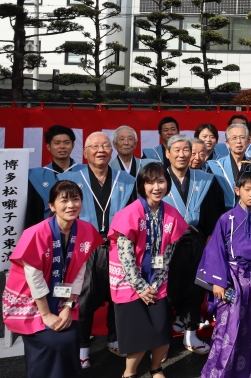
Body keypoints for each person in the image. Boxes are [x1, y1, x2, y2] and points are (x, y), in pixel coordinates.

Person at [2, 180, 103, 378]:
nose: (71, 205)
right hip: (31, 298)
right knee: (51, 343)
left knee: (70, 337)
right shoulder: (36, 233)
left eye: (75, 199)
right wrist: (47, 315)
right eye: (63, 200)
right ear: (51, 206)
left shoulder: (85, 230)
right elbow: (34, 278)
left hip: (63, 298)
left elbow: (80, 271)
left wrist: (68, 308)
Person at [58, 132, 137, 368]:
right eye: (95, 146)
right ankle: (82, 346)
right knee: (82, 297)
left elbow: (134, 214)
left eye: (105, 146)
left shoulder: (126, 179)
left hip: (116, 246)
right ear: (85, 152)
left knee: (118, 295)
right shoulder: (70, 178)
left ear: (111, 151)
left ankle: (114, 338)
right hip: (83, 247)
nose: (100, 150)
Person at [108, 162, 188, 378]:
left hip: (157, 281)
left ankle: (156, 368)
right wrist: (141, 287)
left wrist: (155, 283)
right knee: (138, 334)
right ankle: (129, 372)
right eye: (150, 182)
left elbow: (168, 252)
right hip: (130, 281)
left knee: (161, 329)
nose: (156, 187)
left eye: (161, 181)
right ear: (142, 185)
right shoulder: (129, 213)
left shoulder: (171, 214)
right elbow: (126, 257)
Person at [196, 168, 251, 378]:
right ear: (237, 190)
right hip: (231, 278)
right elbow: (215, 252)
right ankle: (219, 372)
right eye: (247, 189)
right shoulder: (226, 219)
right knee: (227, 329)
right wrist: (218, 282)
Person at [162, 134, 227, 352]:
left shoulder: (205, 179)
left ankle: (190, 334)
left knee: (195, 289)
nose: (182, 155)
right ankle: (161, 340)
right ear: (167, 153)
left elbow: (215, 209)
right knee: (166, 290)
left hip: (197, 242)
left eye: (185, 150)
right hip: (167, 244)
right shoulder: (158, 178)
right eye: (177, 150)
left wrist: (209, 236)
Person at [25, 125, 79, 228]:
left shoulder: (85, 172)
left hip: (82, 232)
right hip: (47, 232)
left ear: (73, 145)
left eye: (66, 142)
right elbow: (32, 212)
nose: (62, 146)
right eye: (57, 143)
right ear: (48, 147)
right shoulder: (35, 176)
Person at [207, 122, 250, 208]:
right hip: (223, 214)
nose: (238, 141)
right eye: (234, 138)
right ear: (227, 143)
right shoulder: (216, 166)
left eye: (242, 137)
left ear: (248, 141)